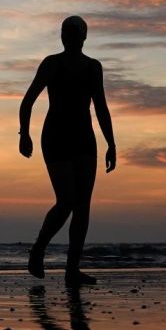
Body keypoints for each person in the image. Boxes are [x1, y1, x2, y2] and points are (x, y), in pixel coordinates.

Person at [19, 16, 117, 286]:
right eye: (66, 32)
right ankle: (38, 249)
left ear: (84, 37)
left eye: (74, 32)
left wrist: (111, 143)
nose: (70, 36)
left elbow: (101, 107)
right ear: (61, 36)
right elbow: (27, 101)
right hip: (56, 137)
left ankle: (72, 270)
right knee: (66, 201)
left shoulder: (93, 67)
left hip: (85, 139)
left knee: (83, 206)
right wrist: (24, 134)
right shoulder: (52, 64)